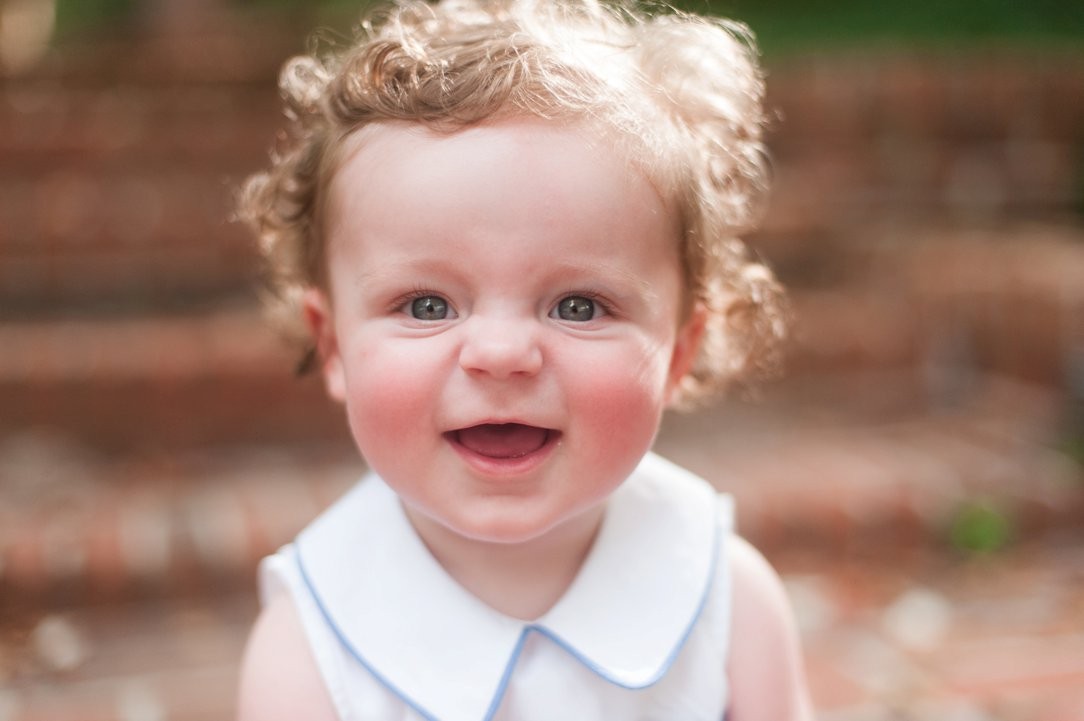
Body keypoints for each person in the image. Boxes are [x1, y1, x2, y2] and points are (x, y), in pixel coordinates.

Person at [236, 1, 812, 719]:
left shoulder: (727, 605)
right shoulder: (310, 652)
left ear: (679, 351)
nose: (502, 354)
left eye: (579, 306)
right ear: (332, 345)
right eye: (427, 306)